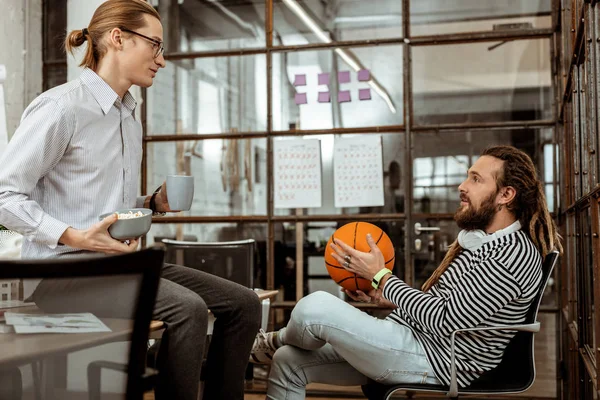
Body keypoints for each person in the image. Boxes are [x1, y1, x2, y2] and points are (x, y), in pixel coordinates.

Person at [0, 1, 261, 399]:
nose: (162, 60)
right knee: (187, 310)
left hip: (117, 267)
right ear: (118, 39)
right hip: (62, 276)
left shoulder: (128, 114)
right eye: (155, 45)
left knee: (243, 304)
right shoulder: (62, 108)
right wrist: (76, 237)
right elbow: (4, 194)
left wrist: (153, 202)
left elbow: (103, 208)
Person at [250, 145, 561, 400]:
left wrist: (382, 277)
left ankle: (272, 340)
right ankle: (283, 346)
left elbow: (446, 319)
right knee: (288, 362)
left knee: (314, 306)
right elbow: (447, 309)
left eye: (476, 179)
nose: (462, 187)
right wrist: (389, 299)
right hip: (412, 339)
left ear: (506, 195)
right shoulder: (483, 244)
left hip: (438, 358)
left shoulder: (510, 255)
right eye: (468, 177)